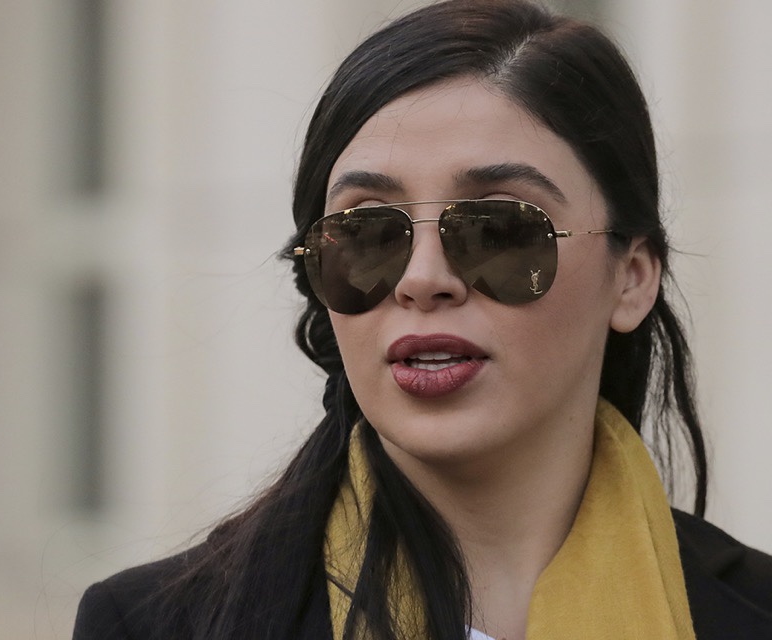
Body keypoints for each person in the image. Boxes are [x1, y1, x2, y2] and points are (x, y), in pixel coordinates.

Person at [74, 1, 772, 638]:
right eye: (368, 230)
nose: (422, 280)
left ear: (633, 276)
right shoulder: (158, 625)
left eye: (499, 227)